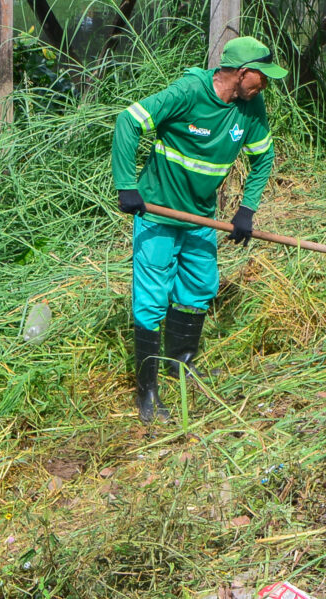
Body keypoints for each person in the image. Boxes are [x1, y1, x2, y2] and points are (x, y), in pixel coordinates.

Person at [111, 35, 285, 422]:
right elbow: (129, 120)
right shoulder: (189, 92)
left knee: (200, 286)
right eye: (262, 76)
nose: (266, 85)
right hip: (158, 214)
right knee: (152, 300)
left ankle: (181, 364)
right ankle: (148, 393)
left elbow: (264, 157)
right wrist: (126, 184)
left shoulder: (251, 106)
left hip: (203, 216)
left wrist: (247, 210)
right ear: (241, 73)